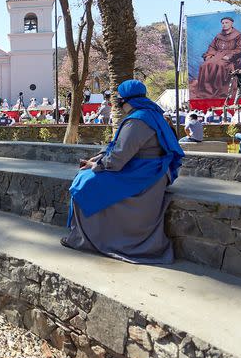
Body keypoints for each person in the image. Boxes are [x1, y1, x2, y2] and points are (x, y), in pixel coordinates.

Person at [63, 80, 184, 264]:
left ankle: (85, 238)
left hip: (144, 173)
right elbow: (119, 148)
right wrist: (99, 158)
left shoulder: (138, 120)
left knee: (84, 183)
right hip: (147, 169)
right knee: (86, 178)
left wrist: (95, 165)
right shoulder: (150, 114)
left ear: (124, 99)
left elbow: (118, 157)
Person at [195, 17, 241, 98]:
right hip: (217, 55)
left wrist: (230, 56)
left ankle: (218, 90)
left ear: (231, 23)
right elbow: (212, 47)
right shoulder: (219, 36)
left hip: (231, 58)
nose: (224, 25)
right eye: (223, 23)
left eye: (226, 23)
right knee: (204, 65)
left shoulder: (238, 35)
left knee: (220, 65)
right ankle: (206, 90)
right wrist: (209, 55)